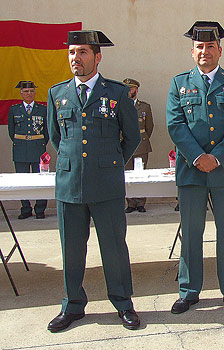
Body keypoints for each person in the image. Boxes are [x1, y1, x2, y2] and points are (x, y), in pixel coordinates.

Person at [46, 30, 141, 332]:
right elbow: (56, 137)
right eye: (72, 52)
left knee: (113, 247)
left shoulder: (116, 93)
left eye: (83, 52)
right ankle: (72, 305)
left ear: (97, 57)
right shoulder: (57, 93)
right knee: (72, 249)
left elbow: (133, 136)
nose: (76, 58)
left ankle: (123, 303)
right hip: (70, 184)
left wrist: (110, 162)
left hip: (107, 185)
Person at [166, 21, 224, 315]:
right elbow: (175, 125)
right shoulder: (179, 83)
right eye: (200, 47)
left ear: (220, 50)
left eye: (210, 46)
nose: (205, 52)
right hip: (191, 172)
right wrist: (196, 157)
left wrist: (215, 157)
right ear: (192, 52)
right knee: (191, 232)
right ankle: (189, 291)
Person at [7, 81, 48, 219]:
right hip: (20, 150)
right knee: (21, 181)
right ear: (21, 93)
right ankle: (25, 209)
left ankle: (40, 209)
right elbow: (11, 131)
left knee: (41, 180)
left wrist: (39, 143)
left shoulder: (42, 110)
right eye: (26, 91)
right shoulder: (14, 109)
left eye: (31, 91)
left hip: (38, 149)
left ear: (35, 93)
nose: (29, 94)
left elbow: (47, 132)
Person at [123, 78, 154, 213]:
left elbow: (149, 127)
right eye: (127, 88)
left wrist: (143, 139)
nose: (129, 91)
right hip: (125, 145)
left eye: (131, 88)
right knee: (128, 176)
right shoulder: (121, 105)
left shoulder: (144, 107)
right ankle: (130, 203)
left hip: (141, 145)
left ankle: (141, 203)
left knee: (141, 175)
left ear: (136, 90)